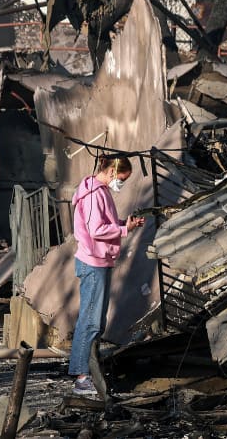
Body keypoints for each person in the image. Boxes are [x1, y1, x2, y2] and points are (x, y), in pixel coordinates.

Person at [68, 154, 144, 398]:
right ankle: (81, 377)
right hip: (93, 262)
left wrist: (125, 223)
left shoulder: (100, 191)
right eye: (122, 178)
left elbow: (103, 223)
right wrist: (124, 229)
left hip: (99, 260)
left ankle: (89, 371)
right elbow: (96, 229)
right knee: (90, 322)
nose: (121, 184)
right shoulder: (93, 194)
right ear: (112, 171)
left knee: (95, 321)